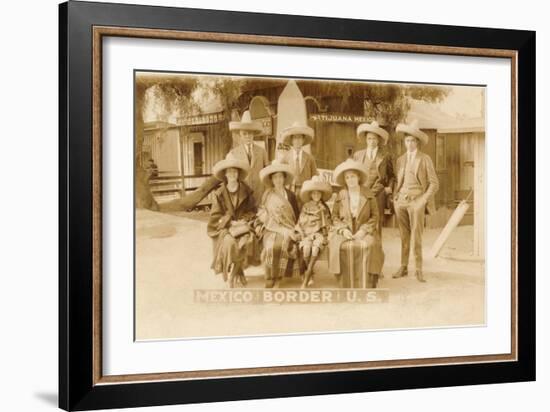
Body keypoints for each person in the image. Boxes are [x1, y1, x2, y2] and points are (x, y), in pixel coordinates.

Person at [392, 120, 439, 283]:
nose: (409, 143)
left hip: (417, 201)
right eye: (407, 140)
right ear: (404, 142)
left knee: (416, 236)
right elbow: (397, 181)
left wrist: (423, 200)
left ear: (417, 142)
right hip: (401, 202)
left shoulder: (425, 159)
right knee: (404, 236)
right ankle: (403, 266)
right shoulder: (400, 160)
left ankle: (418, 269)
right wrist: (395, 198)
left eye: (412, 140)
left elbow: (434, 183)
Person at [328, 159, 385, 289]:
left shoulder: (368, 194)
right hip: (346, 229)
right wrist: (343, 230)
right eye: (347, 178)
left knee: (371, 245)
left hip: (364, 228)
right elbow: (335, 217)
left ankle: (369, 280)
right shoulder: (341, 194)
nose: (350, 180)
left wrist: (363, 230)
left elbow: (375, 215)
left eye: (353, 176)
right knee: (339, 246)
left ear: (358, 177)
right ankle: (345, 282)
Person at [207, 154, 258, 288]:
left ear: (238, 173)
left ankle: (234, 274)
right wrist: (229, 223)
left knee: (246, 242)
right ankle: (238, 272)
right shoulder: (219, 193)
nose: (232, 174)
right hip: (226, 228)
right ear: (225, 174)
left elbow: (253, 210)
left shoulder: (246, 191)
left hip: (243, 226)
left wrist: (243, 220)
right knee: (229, 244)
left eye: (234, 171)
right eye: (229, 171)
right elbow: (215, 216)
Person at [256, 160, 302, 288]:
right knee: (271, 246)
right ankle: (269, 276)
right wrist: (269, 220)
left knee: (282, 245)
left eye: (280, 176)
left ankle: (279, 275)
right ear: (272, 179)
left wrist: (294, 230)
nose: (278, 180)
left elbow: (296, 215)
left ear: (284, 178)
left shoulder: (291, 195)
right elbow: (262, 212)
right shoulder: (267, 194)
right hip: (271, 228)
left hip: (288, 228)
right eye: (275, 177)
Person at [353, 120, 395, 235]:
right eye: (369, 139)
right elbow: (354, 175)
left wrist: (389, 188)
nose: (372, 142)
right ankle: (363, 250)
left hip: (378, 194)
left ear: (379, 140)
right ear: (366, 139)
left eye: (374, 139)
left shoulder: (385, 156)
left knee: (376, 223)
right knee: (361, 221)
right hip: (362, 193)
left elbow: (392, 176)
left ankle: (377, 251)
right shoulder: (358, 155)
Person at [296, 176, 332, 288]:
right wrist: (303, 232)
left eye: (318, 193)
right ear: (310, 194)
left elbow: (327, 223)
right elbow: (301, 221)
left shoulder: (324, 207)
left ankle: (306, 277)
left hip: (320, 234)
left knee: (315, 248)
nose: (316, 196)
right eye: (314, 193)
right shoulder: (306, 206)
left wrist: (325, 232)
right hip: (307, 233)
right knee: (306, 249)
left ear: (321, 195)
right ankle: (310, 273)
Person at [229, 110, 269, 204]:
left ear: (254, 134)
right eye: (244, 134)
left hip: (260, 194)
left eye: (250, 133)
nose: (248, 136)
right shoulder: (234, 153)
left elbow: (267, 174)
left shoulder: (262, 151)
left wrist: (267, 192)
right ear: (240, 135)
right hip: (242, 195)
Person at [280, 120, 318, 197]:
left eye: (300, 138)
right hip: (290, 191)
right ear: (292, 140)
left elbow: (315, 176)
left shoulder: (310, 158)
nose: (297, 140)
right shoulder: (285, 158)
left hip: (306, 192)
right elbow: (282, 177)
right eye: (295, 138)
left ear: (303, 140)